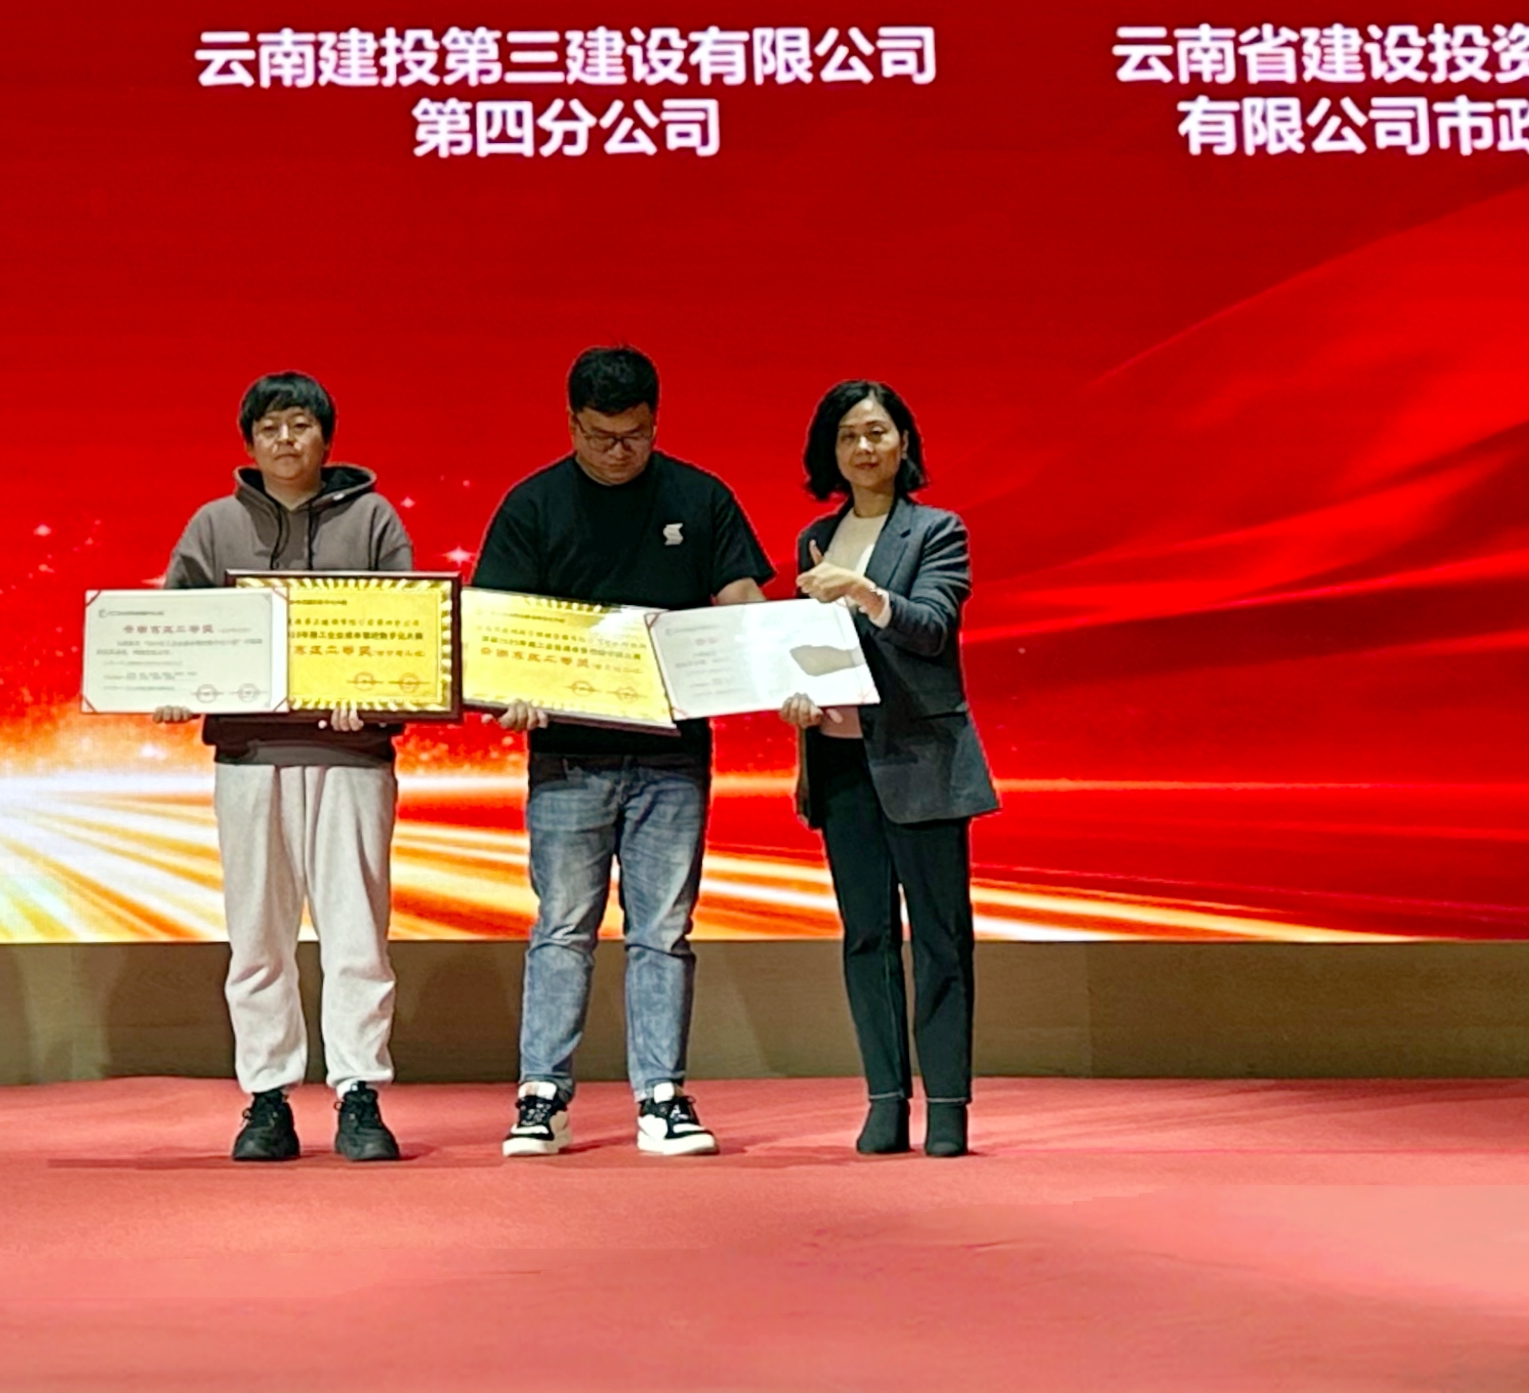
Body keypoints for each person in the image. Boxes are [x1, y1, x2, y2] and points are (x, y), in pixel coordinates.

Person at [473, 344, 770, 1159]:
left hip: (673, 758)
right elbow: (493, 627)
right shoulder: (532, 504)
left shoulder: (700, 497)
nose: (617, 451)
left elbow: (742, 599)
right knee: (563, 925)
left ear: (656, 423)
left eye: (634, 436)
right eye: (601, 436)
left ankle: (662, 1096)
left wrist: (778, 647)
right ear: (571, 423)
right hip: (568, 758)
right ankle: (542, 1095)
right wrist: (510, 692)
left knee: (663, 930)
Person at [154, 370, 418, 1165]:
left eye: (300, 424)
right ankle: (267, 1098)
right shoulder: (215, 524)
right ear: (249, 443)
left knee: (356, 933)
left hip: (351, 755)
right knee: (257, 935)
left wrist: (377, 696)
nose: (285, 439)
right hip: (250, 754)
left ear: (326, 438)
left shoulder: (374, 519)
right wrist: (169, 685)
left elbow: (408, 633)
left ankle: (359, 1093)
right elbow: (174, 626)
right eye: (269, 427)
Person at [780, 379, 998, 1159]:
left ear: (904, 441)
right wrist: (796, 701)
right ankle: (883, 1099)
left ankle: (947, 1105)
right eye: (848, 435)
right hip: (840, 762)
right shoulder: (816, 536)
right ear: (830, 452)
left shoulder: (937, 530)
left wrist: (867, 592)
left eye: (876, 431)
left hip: (921, 761)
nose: (863, 447)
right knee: (865, 936)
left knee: (941, 938)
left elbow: (933, 627)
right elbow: (804, 648)